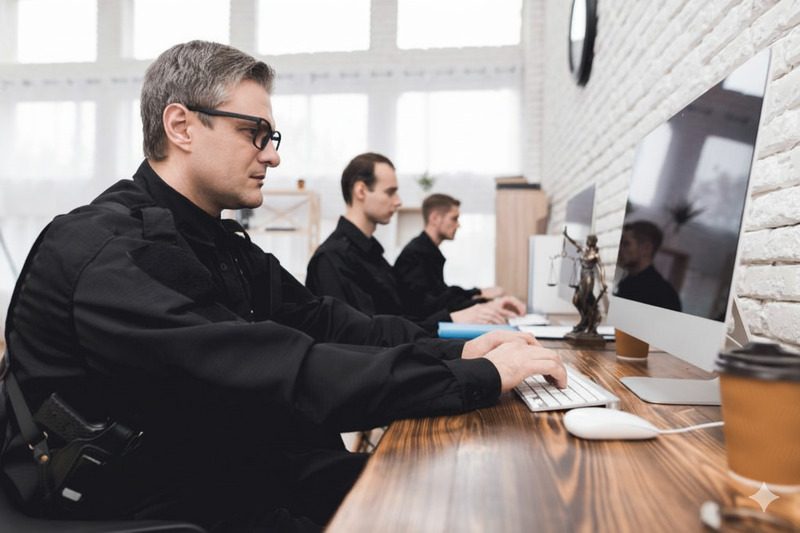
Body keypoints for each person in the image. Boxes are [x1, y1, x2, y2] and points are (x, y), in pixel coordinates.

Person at [0, 41, 566, 532]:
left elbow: (326, 321)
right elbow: (279, 368)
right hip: (145, 500)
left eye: (271, 136)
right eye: (254, 133)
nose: (271, 155)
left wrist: (461, 351)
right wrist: (476, 377)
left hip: (223, 463)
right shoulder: (107, 250)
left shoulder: (215, 240)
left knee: (451, 494)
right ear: (181, 126)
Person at [305, 153, 525, 334]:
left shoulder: (373, 255)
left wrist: (473, 308)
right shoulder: (332, 259)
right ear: (361, 191)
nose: (398, 201)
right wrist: (453, 318)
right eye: (390, 192)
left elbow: (407, 314)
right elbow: (365, 339)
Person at [394, 193, 512, 316]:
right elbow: (429, 306)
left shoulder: (426, 251)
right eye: (454, 218)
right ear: (435, 218)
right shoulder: (415, 255)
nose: (458, 225)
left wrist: (478, 293)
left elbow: (443, 295)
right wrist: (482, 301)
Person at [614, 220, 682, 311]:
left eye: (626, 244)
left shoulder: (663, 294)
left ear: (646, 249)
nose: (619, 249)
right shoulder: (626, 282)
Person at [563, 229, 607, 337]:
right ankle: (584, 320)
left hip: (589, 278)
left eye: (589, 240)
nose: (587, 242)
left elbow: (601, 267)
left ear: (593, 242)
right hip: (581, 277)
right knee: (577, 300)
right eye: (587, 240)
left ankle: (590, 326)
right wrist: (567, 236)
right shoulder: (584, 251)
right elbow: (576, 243)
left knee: (587, 301)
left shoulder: (595, 254)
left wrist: (603, 282)